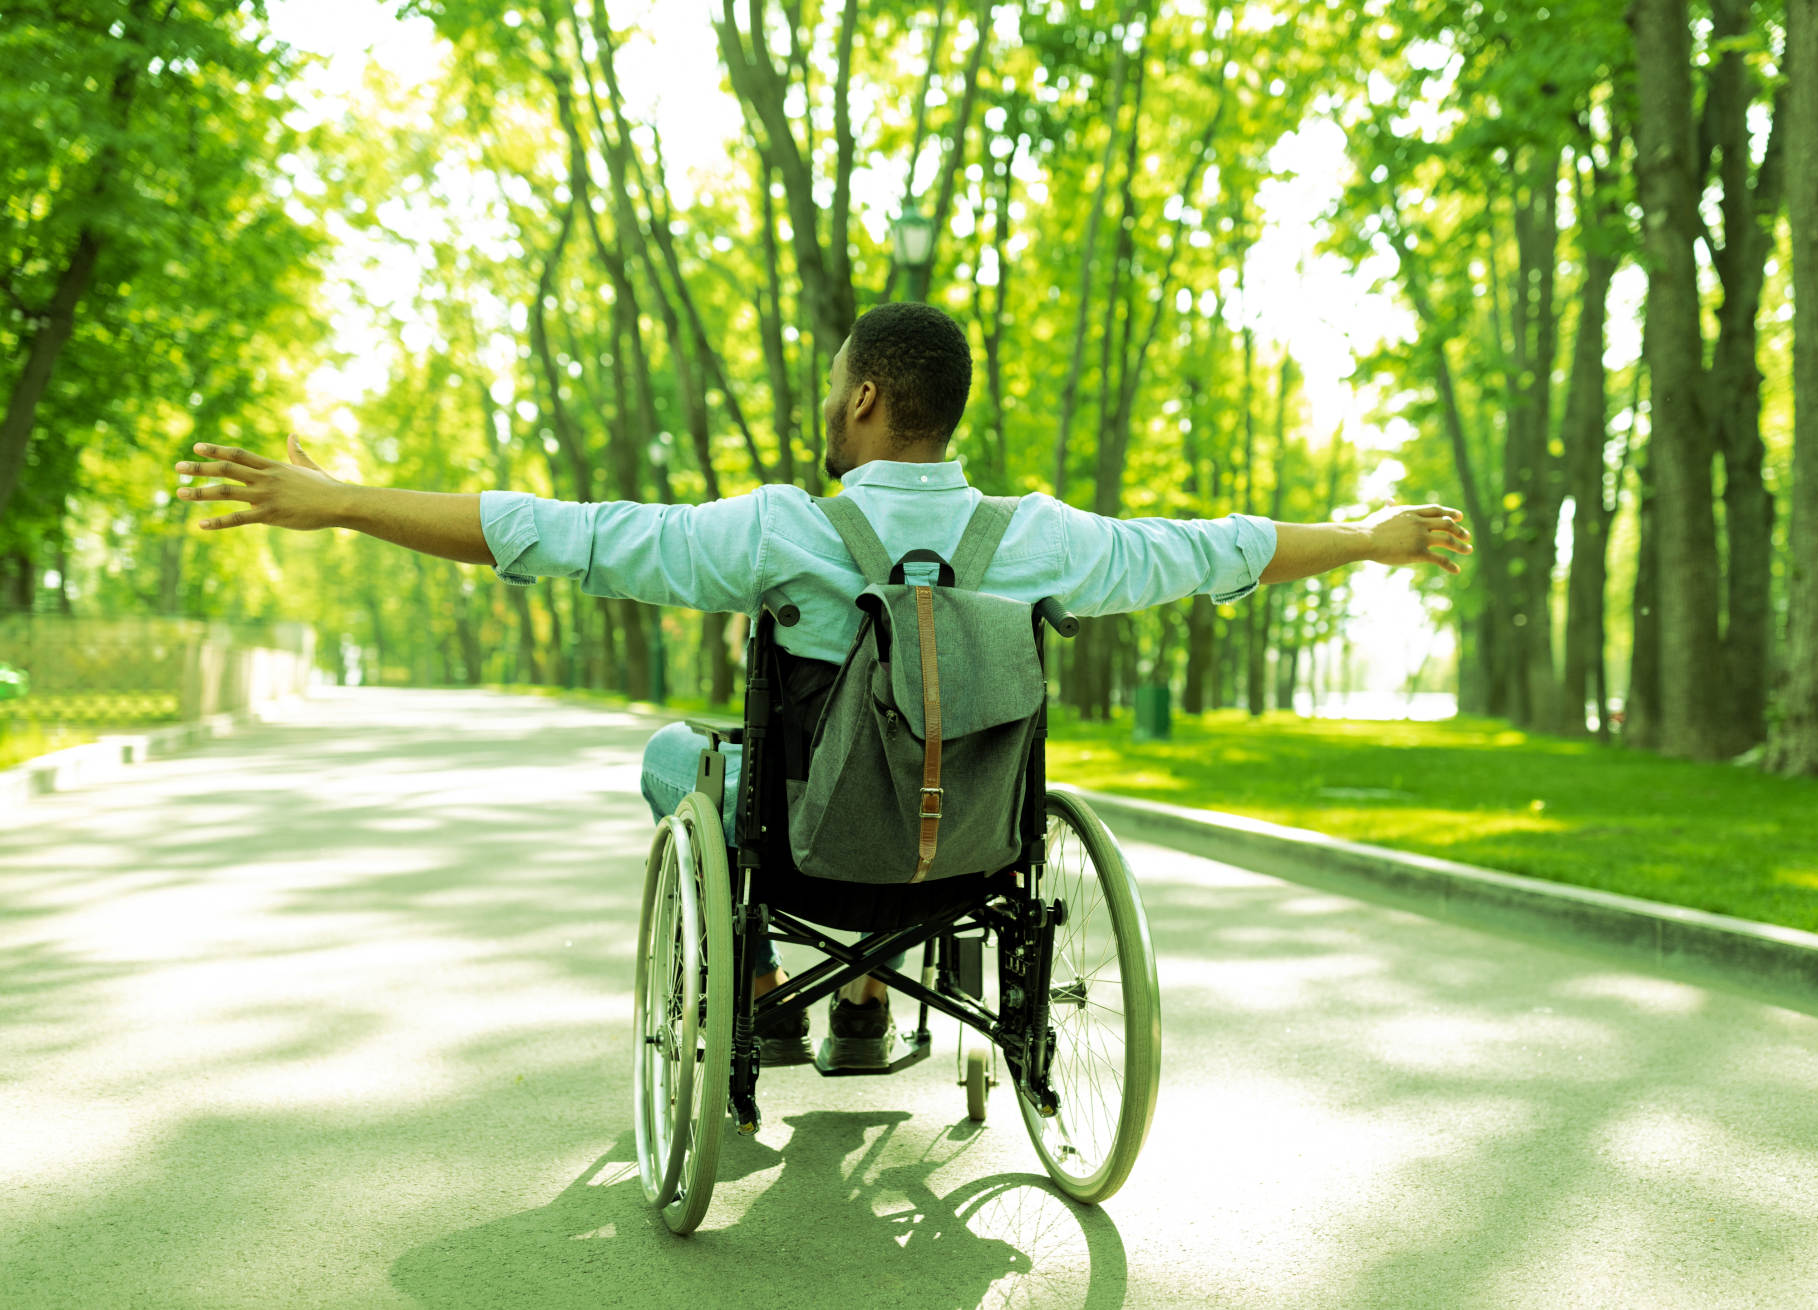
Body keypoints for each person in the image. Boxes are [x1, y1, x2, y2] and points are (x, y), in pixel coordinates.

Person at [169, 301, 1473, 1068]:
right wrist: (1364, 534)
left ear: (862, 400)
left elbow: (555, 529)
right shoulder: (1042, 539)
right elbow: (1213, 551)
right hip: (974, 850)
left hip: (807, 848)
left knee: (676, 764)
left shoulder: (779, 532)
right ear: (945, 412)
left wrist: (342, 500)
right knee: (922, 756)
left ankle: (766, 995)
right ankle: (865, 995)